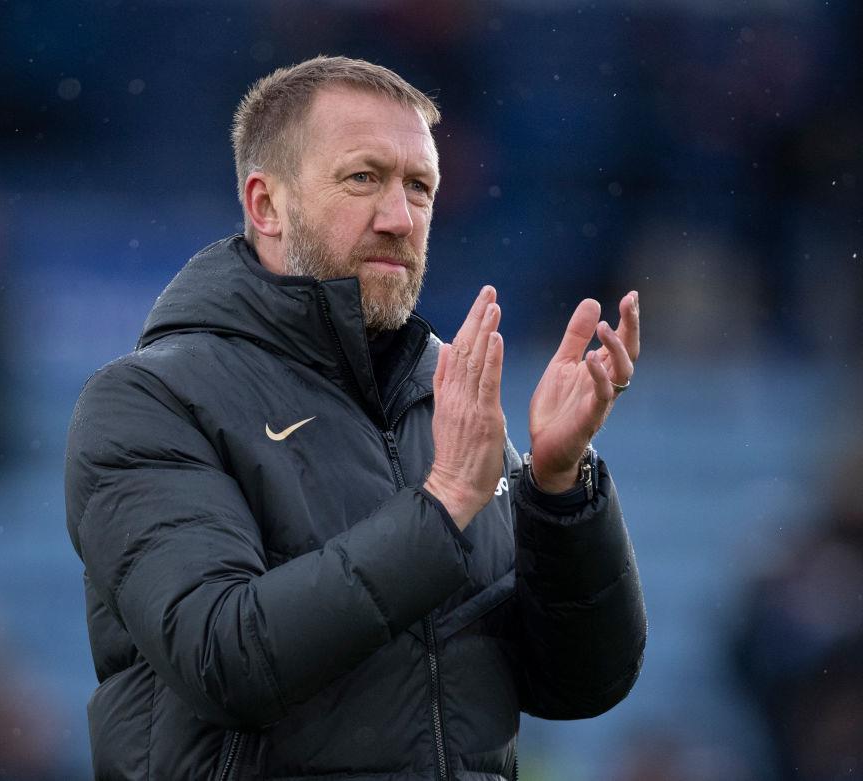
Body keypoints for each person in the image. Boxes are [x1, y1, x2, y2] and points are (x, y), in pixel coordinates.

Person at [65, 55, 646, 781]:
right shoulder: (149, 401)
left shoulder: (445, 397)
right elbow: (223, 657)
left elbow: (580, 684)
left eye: (419, 187)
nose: (400, 219)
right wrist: (440, 508)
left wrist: (559, 491)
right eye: (363, 178)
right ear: (266, 206)